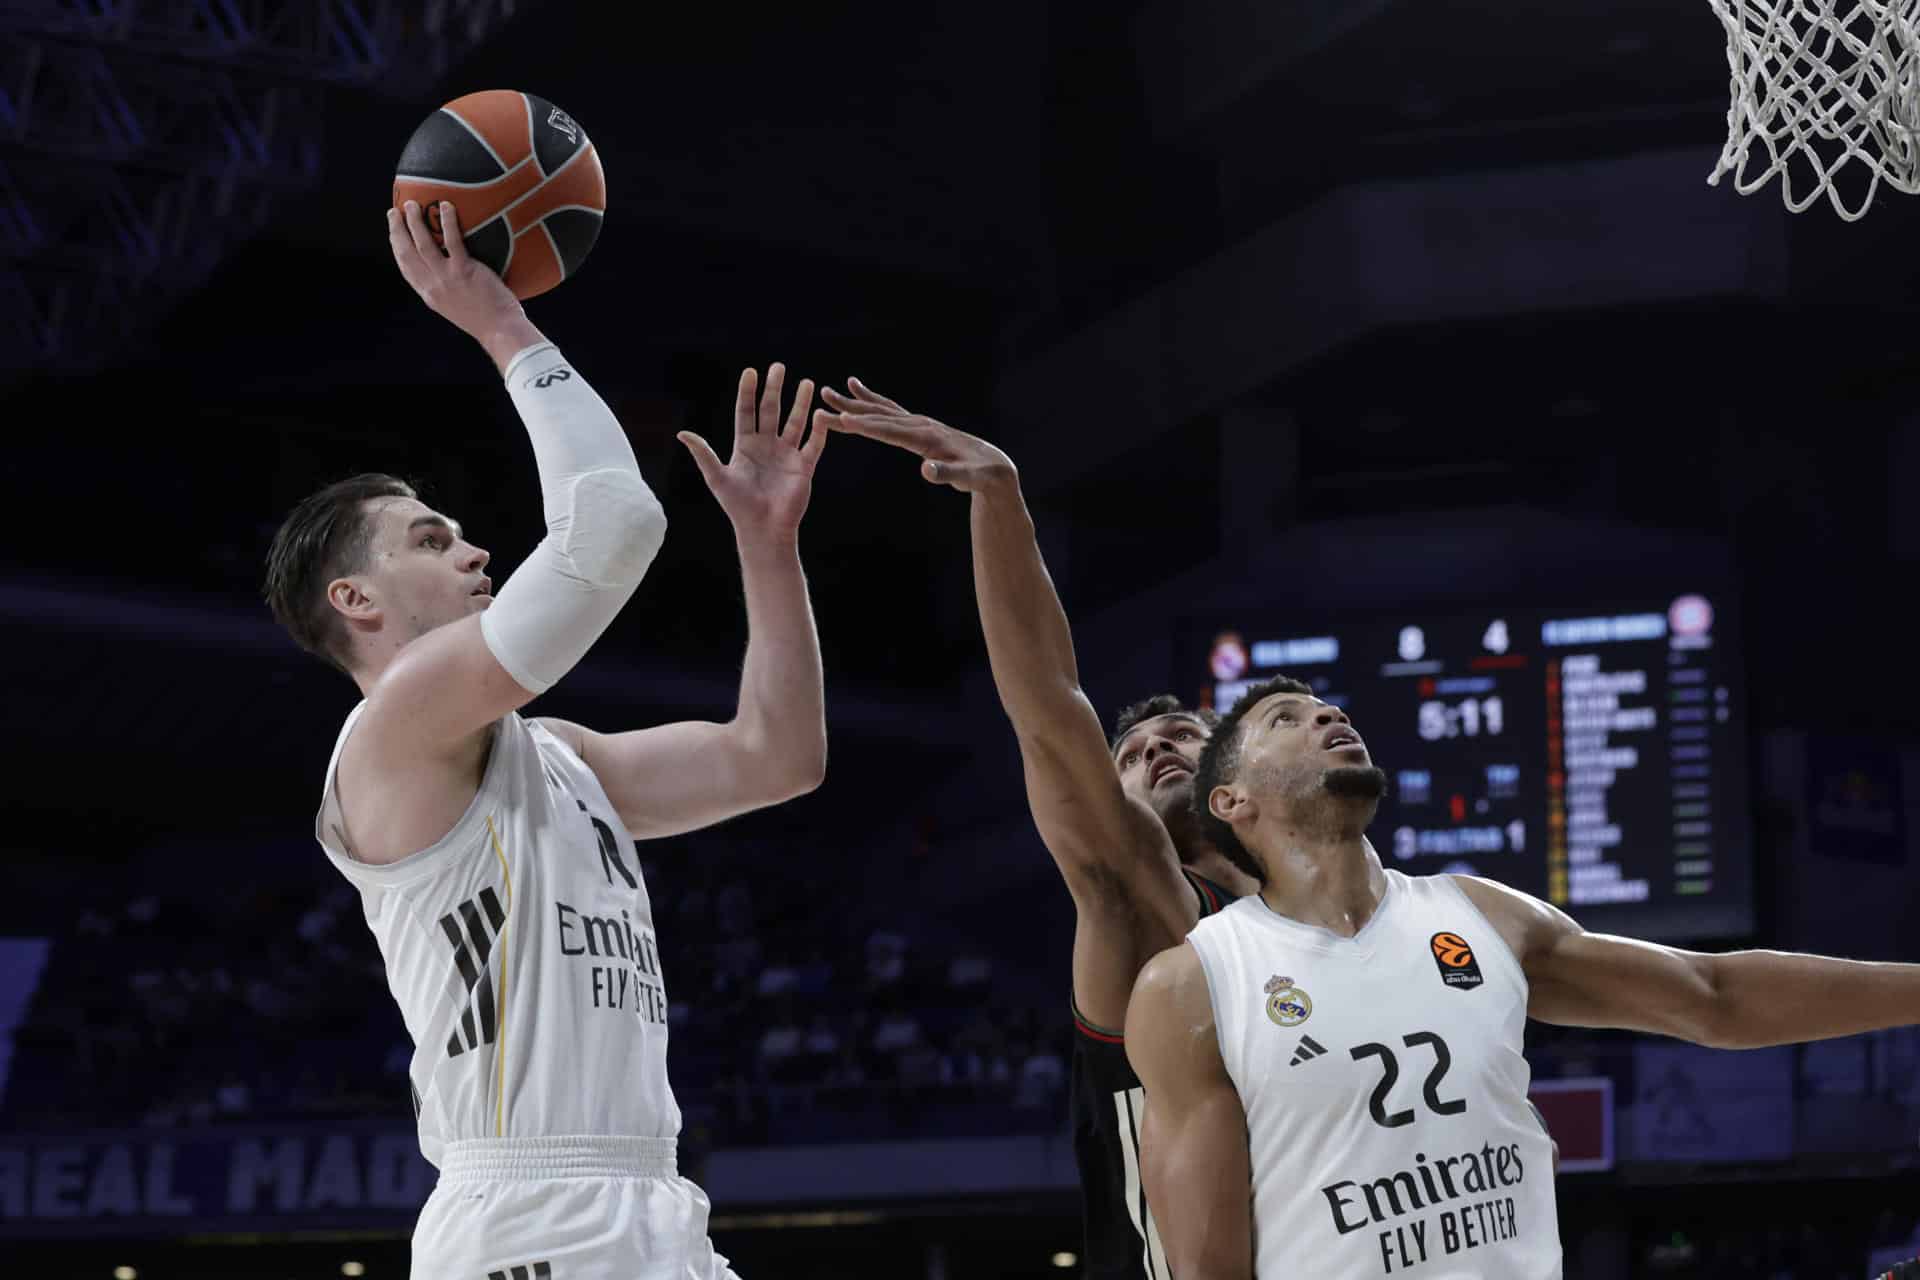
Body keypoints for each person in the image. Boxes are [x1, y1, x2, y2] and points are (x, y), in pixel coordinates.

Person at [262, 199, 828, 1278]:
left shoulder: (558, 753)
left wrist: (767, 545)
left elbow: (779, 756)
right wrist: (498, 320)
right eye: (432, 540)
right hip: (530, 1216)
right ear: (356, 599)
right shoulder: (390, 734)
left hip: (656, 1202)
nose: (474, 551)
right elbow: (612, 524)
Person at [1127, 676, 1920, 1279]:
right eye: (1285, 719)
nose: (1328, 715)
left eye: (1327, 708)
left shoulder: (1479, 915)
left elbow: (1713, 996)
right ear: (1231, 800)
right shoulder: (1193, 986)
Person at [817, 383, 1261, 1279]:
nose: (1155, 750)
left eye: (1181, 736)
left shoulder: (1325, 927)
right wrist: (1000, 502)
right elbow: (1053, 712)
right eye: (1129, 755)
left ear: (1237, 772)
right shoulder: (1148, 905)